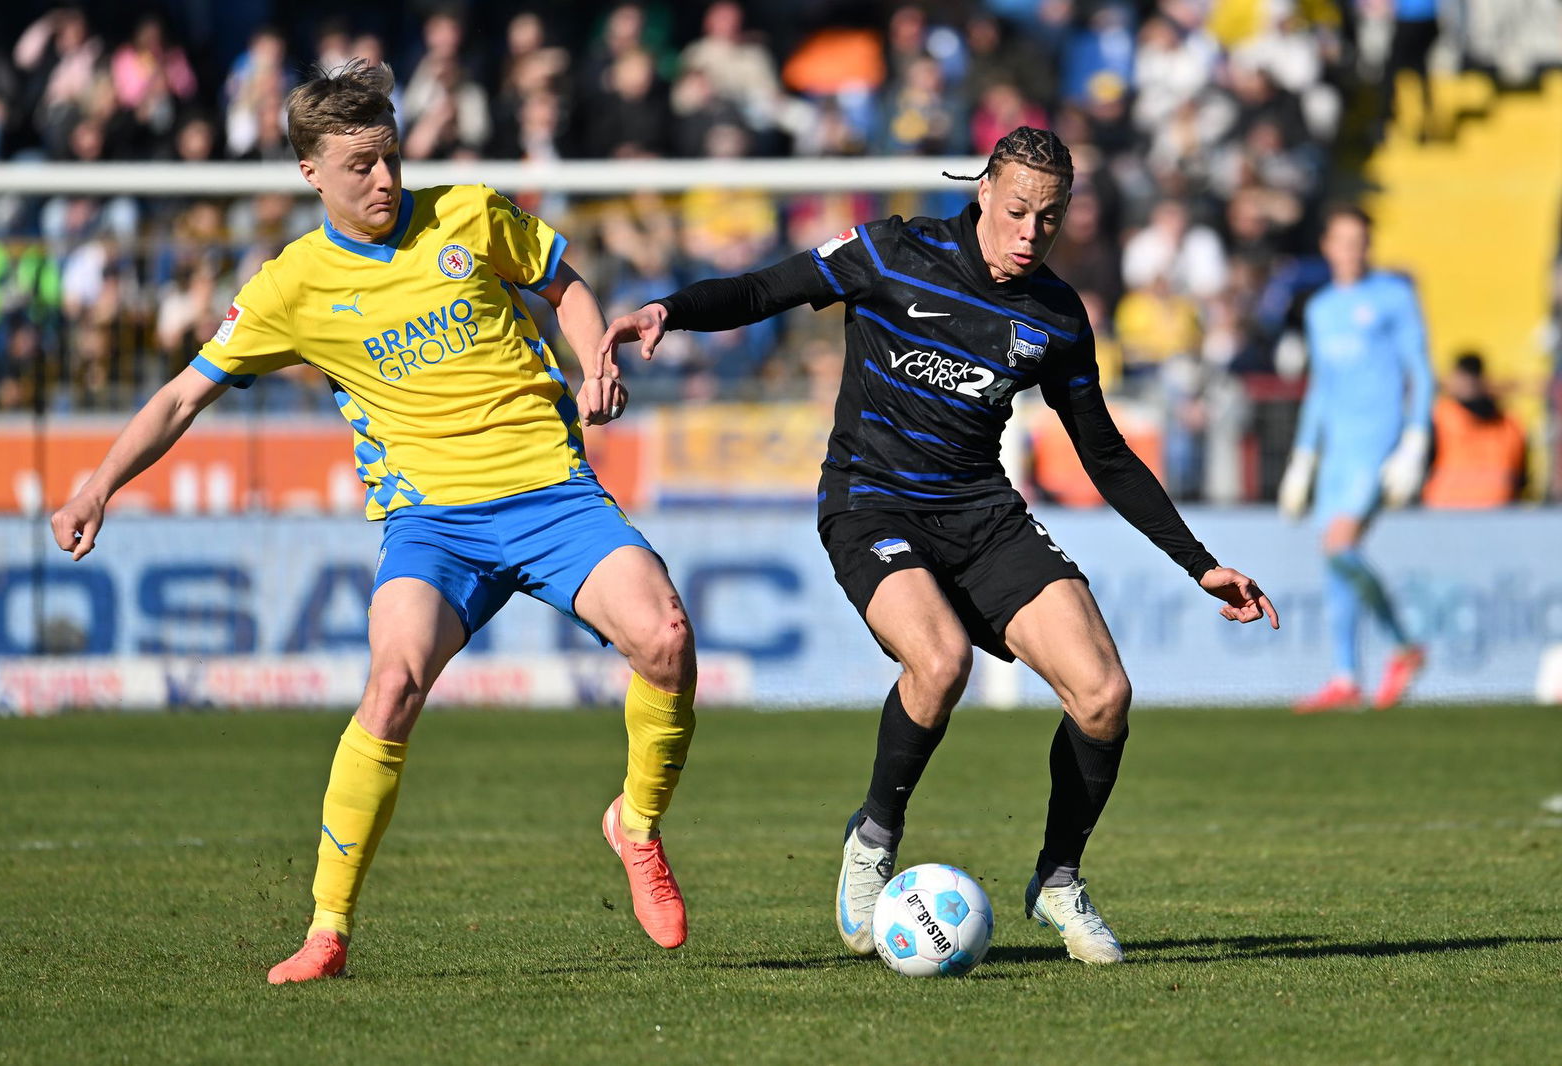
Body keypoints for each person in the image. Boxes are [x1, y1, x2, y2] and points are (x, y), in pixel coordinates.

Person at [48, 61, 697, 982]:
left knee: (668, 639)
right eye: (360, 165)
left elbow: (565, 284)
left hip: (552, 497)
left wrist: (594, 360)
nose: (385, 180)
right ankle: (327, 932)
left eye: (390, 158)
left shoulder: (470, 213)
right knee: (391, 686)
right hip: (433, 525)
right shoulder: (291, 287)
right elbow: (181, 400)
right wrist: (97, 485)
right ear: (311, 172)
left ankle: (635, 825)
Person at [599, 126, 1278, 966]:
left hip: (980, 512)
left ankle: (1059, 881)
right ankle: (875, 838)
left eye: (1051, 219)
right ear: (986, 191)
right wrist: (670, 309)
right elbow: (764, 289)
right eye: (1020, 210)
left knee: (1103, 695)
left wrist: (1197, 560)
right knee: (940, 661)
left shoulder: (1057, 316)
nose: (1032, 233)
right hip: (869, 502)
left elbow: (1103, 451)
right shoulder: (889, 252)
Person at [1279, 205, 1433, 712]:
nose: (1351, 251)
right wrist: (1304, 456)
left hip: (1379, 442)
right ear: (1327, 246)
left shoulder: (1394, 296)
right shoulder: (1322, 308)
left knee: (1341, 545)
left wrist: (1414, 440)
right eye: (1342, 241)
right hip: (1338, 450)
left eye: (1359, 241)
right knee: (1333, 556)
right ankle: (1346, 675)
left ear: (1369, 245)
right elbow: (1321, 387)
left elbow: (1421, 372)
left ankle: (1405, 645)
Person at [1421, 351, 1526, 508]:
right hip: (1497, 511)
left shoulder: (1439, 416)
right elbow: (1522, 478)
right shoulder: (1511, 423)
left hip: (1444, 511)